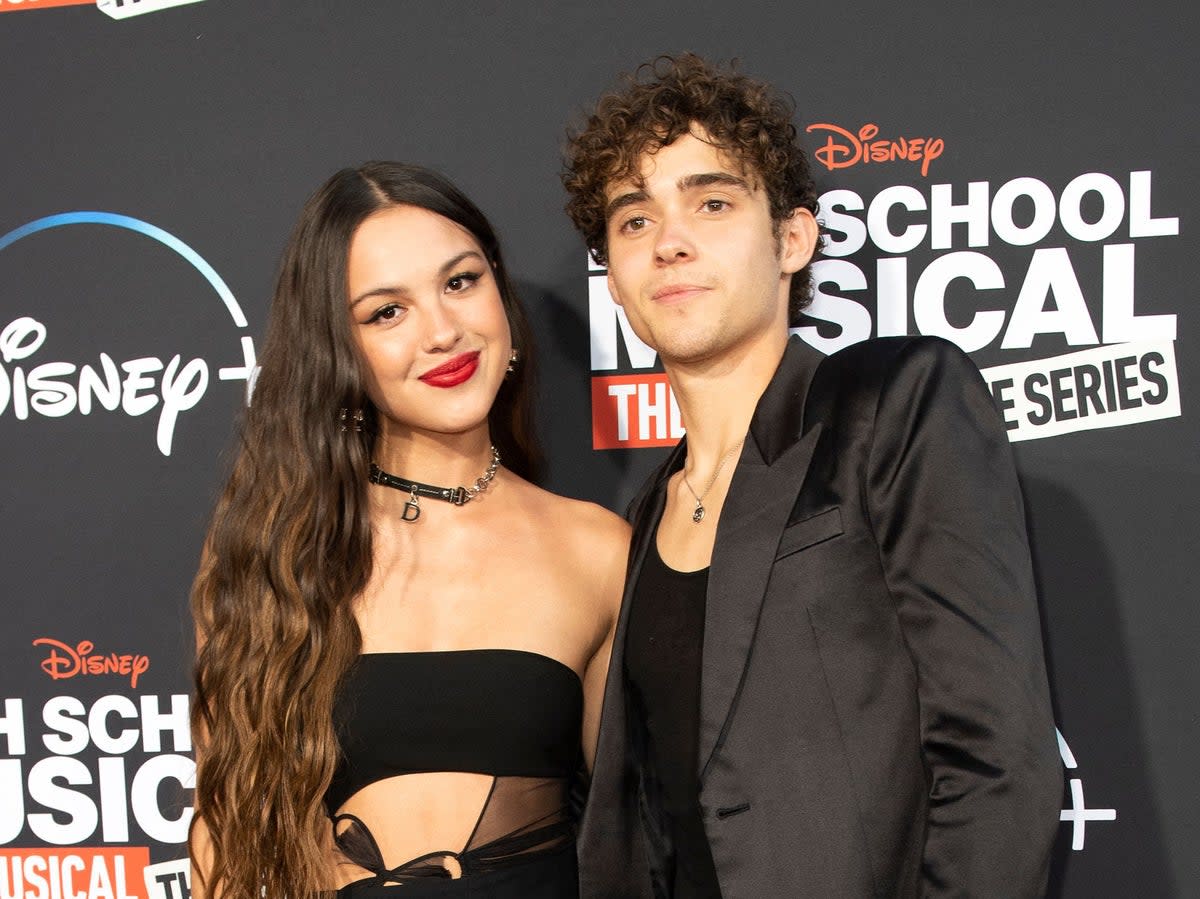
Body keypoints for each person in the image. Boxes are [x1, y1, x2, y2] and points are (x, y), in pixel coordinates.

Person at [562, 53, 1062, 898]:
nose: (670, 240)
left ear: (792, 239)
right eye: (635, 220)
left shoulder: (893, 405)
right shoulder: (646, 517)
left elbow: (997, 762)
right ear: (614, 277)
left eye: (712, 202)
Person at [188, 162, 628, 898]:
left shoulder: (594, 548)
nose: (443, 331)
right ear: (340, 349)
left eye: (460, 282)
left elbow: (632, 836)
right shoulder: (276, 547)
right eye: (386, 312)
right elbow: (224, 835)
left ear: (500, 293)